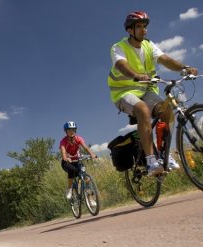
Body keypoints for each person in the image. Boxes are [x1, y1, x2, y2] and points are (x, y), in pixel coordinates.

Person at [108, 11, 198, 176]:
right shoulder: (118, 47)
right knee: (142, 110)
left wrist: (184, 68)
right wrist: (136, 75)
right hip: (124, 92)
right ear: (130, 30)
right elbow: (121, 65)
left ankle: (165, 154)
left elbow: (165, 59)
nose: (144, 30)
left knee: (167, 110)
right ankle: (151, 161)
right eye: (139, 27)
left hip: (146, 89)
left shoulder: (149, 45)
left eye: (145, 27)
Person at [60, 121, 97, 199]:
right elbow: (63, 152)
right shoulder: (63, 141)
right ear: (66, 131)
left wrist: (92, 154)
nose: (71, 132)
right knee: (72, 170)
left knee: (85, 177)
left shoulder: (78, 139)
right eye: (69, 130)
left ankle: (90, 200)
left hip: (76, 161)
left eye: (73, 130)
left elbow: (85, 147)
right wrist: (66, 158)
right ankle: (69, 189)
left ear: (75, 130)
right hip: (66, 162)